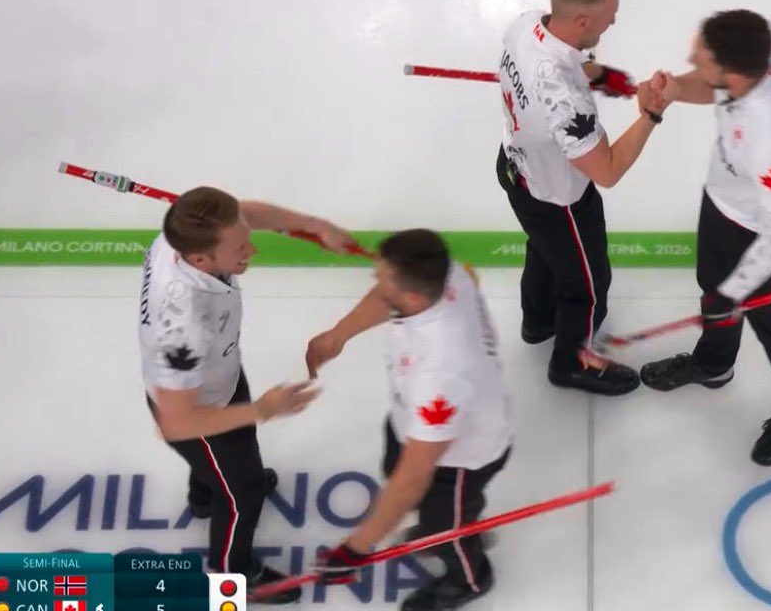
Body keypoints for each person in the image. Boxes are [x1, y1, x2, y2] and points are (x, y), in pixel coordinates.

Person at [139, 185, 354, 601]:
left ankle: (205, 494)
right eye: (239, 246)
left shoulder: (181, 237)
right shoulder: (183, 328)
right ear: (201, 260)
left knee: (233, 464)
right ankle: (232, 574)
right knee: (244, 492)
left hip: (216, 375)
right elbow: (177, 422)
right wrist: (263, 409)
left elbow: (245, 213)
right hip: (196, 411)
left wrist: (313, 226)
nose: (252, 250)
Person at [638, 10, 771, 467]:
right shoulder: (761, 52)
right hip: (724, 204)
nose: (689, 59)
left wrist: (736, 291)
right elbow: (712, 83)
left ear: (732, 73)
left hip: (766, 234)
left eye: (699, 59)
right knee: (711, 287)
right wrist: (677, 89)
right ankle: (715, 364)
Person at [496, 0, 679, 395]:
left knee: (542, 249)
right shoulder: (564, 101)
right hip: (560, 198)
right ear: (582, 20)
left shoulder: (524, 26)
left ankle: (538, 321)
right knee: (587, 284)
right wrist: (651, 113)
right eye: (608, 15)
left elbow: (556, 65)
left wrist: (598, 75)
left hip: (515, 169)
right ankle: (571, 361)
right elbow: (608, 170)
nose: (614, 20)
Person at [305, 229, 513, 611]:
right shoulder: (444, 274)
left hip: (461, 457)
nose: (374, 281)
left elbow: (415, 474)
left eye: (382, 281)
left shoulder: (441, 371)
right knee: (407, 481)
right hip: (412, 418)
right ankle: (454, 522)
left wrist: (356, 548)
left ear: (413, 298)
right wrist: (339, 334)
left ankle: (469, 577)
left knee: (442, 527)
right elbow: (390, 298)